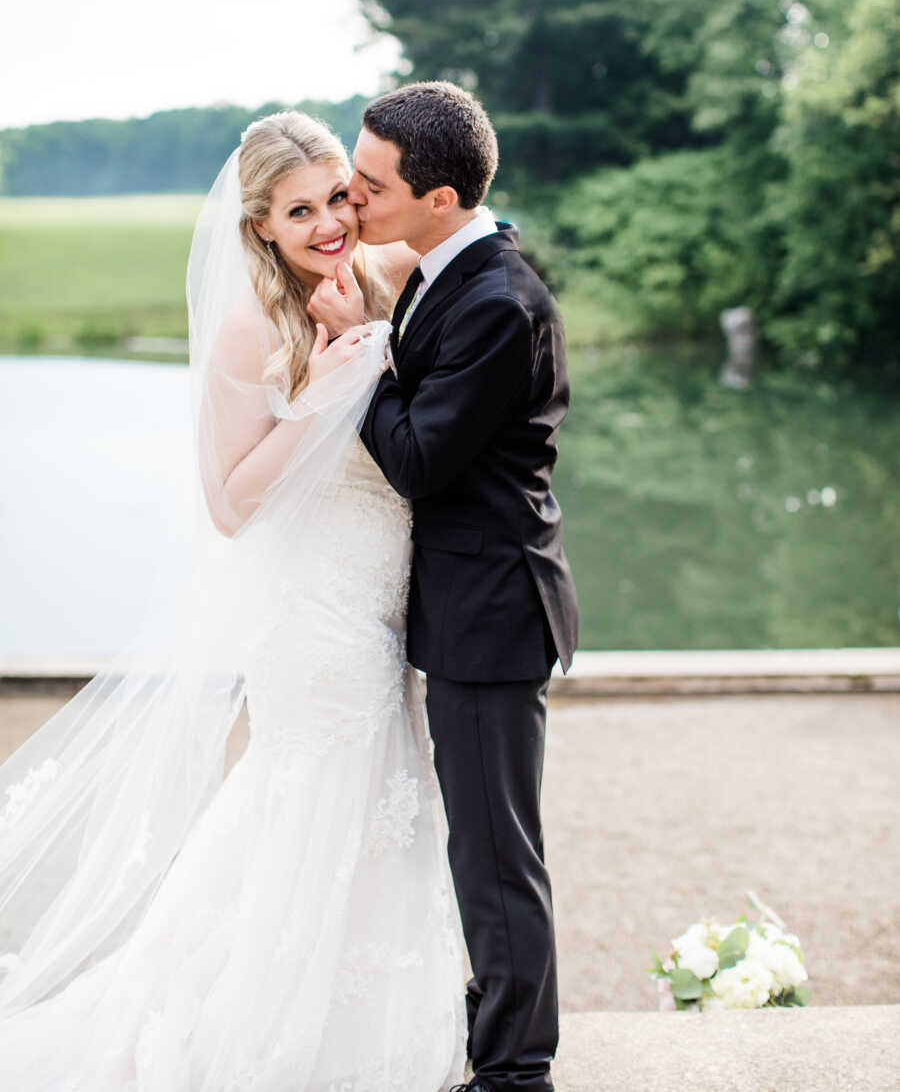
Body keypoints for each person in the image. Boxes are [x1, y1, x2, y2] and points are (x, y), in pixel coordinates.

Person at [0, 110, 467, 1091]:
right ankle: (268, 1037)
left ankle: (368, 1027)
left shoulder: (372, 283)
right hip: (315, 615)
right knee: (320, 808)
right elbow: (227, 501)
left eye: (339, 196)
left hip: (383, 605)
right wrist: (331, 386)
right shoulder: (253, 323)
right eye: (299, 211)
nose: (329, 221)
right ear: (259, 226)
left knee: (379, 812)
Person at [308, 81, 579, 1092]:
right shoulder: (439, 270)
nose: (350, 201)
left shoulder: (499, 301)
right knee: (479, 844)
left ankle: (516, 1073)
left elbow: (419, 456)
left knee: (497, 855)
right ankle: (488, 1031)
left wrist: (355, 354)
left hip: (493, 613)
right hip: (464, 606)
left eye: (369, 186)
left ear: (441, 197)